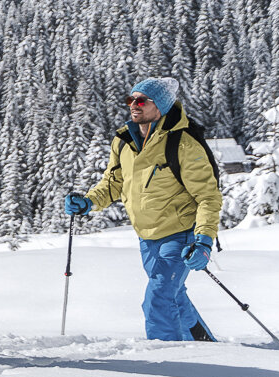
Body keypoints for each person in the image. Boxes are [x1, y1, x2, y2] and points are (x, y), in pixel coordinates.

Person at [63, 77, 221, 341]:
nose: (134, 106)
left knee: (158, 298)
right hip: (147, 237)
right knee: (173, 296)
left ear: (160, 106)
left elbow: (208, 197)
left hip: (181, 235)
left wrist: (204, 241)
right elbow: (114, 182)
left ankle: (175, 362)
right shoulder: (125, 141)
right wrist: (89, 201)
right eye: (131, 100)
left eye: (141, 101)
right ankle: (205, 347)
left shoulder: (182, 144)